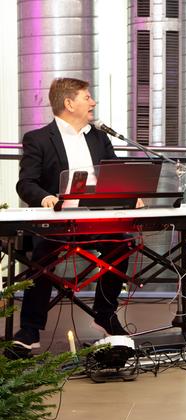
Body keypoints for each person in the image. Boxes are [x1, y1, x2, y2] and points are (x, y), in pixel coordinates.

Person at [5, 77, 130, 359]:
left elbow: (116, 176)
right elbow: (26, 183)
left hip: (95, 220)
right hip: (56, 222)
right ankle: (30, 331)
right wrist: (45, 198)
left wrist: (130, 194)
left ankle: (105, 314)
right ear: (69, 103)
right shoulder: (38, 139)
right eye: (87, 97)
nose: (93, 102)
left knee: (121, 244)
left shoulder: (99, 137)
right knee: (42, 255)